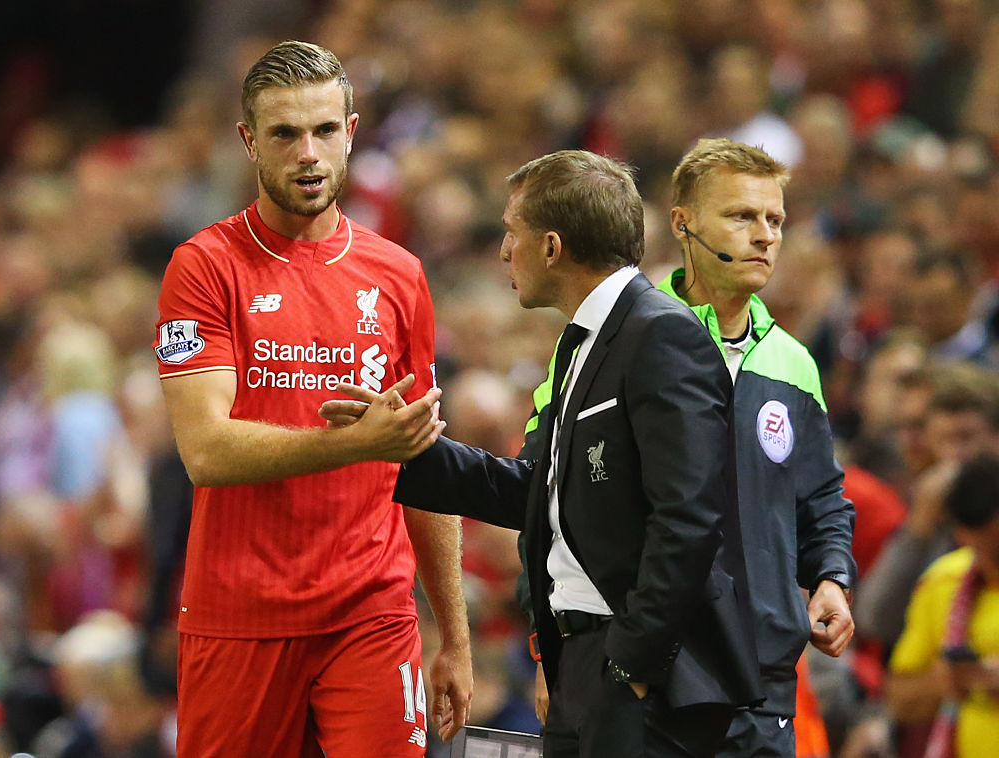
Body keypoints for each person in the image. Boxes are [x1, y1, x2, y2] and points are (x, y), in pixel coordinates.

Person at [325, 149, 763, 758]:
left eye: (512, 233)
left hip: (641, 672)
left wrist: (632, 662)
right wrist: (400, 450)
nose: (504, 251)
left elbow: (689, 517)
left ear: (552, 247)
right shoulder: (581, 344)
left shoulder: (662, 334)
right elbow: (535, 489)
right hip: (578, 661)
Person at [153, 40, 471, 758]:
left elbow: (423, 460)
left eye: (326, 130)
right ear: (248, 141)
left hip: (371, 611)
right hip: (239, 613)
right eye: (285, 133)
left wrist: (452, 631)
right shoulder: (203, 267)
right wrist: (357, 443)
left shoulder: (399, 275)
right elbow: (205, 450)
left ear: (352, 132)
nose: (309, 153)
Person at [517, 139, 857, 758]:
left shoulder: (793, 361)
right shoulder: (621, 337)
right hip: (655, 673)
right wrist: (553, 649)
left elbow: (820, 496)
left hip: (763, 680)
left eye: (775, 220)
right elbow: (545, 488)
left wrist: (831, 575)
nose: (764, 236)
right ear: (683, 224)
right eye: (741, 216)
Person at [886, 451, 999, 758]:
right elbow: (898, 697)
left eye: (993, 548)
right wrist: (942, 682)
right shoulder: (944, 580)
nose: (980, 559)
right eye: (971, 542)